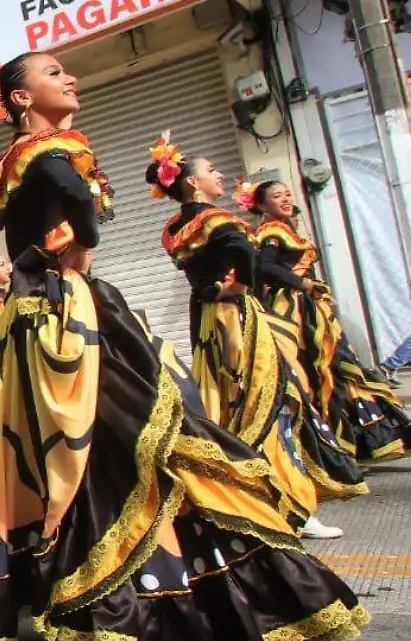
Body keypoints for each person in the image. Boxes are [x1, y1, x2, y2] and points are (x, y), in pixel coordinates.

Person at [0, 55, 367, 641]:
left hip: (48, 321)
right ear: (20, 98)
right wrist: (78, 220)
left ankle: (113, 586)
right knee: (122, 446)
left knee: (83, 455)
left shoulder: (25, 164)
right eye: (54, 72)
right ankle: (139, 595)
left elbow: (69, 220)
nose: (71, 77)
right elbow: (83, 219)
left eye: (68, 70)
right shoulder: (44, 156)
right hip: (69, 316)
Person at [151, 141, 367, 537]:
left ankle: (236, 494)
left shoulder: (172, 228)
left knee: (226, 403)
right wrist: (242, 286)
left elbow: (203, 272)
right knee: (269, 403)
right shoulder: (216, 219)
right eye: (212, 170)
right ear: (194, 182)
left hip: (206, 319)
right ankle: (288, 505)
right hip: (237, 318)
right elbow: (244, 251)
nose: (219, 176)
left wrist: (214, 289)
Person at [243, 181, 411, 462]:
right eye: (277, 196)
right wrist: (304, 284)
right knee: (324, 370)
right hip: (297, 312)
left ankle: (362, 439)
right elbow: (266, 268)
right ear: (262, 206)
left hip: (311, 308)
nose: (285, 199)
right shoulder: (271, 231)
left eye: (287, 193)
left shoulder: (285, 228)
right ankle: (338, 443)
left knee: (337, 369)